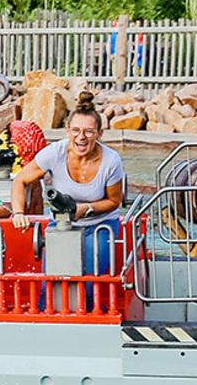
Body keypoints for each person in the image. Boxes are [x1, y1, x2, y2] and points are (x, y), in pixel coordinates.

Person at [12, 106, 125, 276]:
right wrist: (19, 212)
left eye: (88, 131)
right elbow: (20, 180)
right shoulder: (55, 152)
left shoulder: (111, 160)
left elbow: (114, 201)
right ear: (67, 131)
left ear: (99, 134)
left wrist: (86, 208)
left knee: (89, 278)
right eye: (75, 130)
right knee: (52, 279)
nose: (81, 137)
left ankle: (88, 301)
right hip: (62, 223)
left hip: (101, 223)